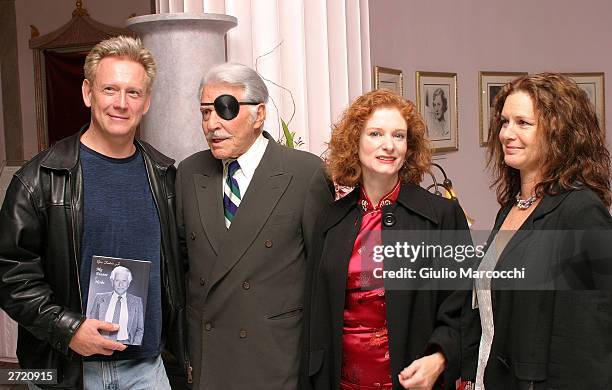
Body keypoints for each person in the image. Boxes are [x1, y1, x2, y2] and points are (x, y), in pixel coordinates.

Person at [0, 36, 189, 389]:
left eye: (133, 92)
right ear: (88, 93)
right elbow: (11, 274)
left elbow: (183, 265)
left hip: (146, 370)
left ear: (146, 101)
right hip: (65, 371)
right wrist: (67, 329)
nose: (120, 103)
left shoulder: (166, 177)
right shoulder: (38, 179)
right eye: (110, 89)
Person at [176, 62, 334, 389]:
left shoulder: (304, 173)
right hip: (210, 361)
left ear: (259, 115)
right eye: (205, 112)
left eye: (225, 110)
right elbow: (182, 267)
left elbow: (324, 276)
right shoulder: (189, 172)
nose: (212, 124)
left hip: (275, 361)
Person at [301, 89, 470, 390]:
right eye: (376, 133)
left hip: (413, 382)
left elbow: (461, 305)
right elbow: (315, 318)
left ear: (410, 146)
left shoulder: (441, 215)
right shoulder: (331, 219)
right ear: (355, 141)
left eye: (399, 136)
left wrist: (441, 356)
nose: (388, 146)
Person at [460, 73, 612, 389]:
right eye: (504, 122)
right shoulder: (511, 209)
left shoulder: (580, 212)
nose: (506, 133)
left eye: (523, 123)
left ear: (560, 133)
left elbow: (586, 343)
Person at [87, 266, 144, 345]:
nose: (120, 284)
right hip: (102, 342)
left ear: (129, 283)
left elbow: (140, 329)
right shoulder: (99, 298)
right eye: (117, 280)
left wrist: (134, 345)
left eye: (124, 281)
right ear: (112, 281)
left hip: (127, 344)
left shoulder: (137, 301)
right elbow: (92, 323)